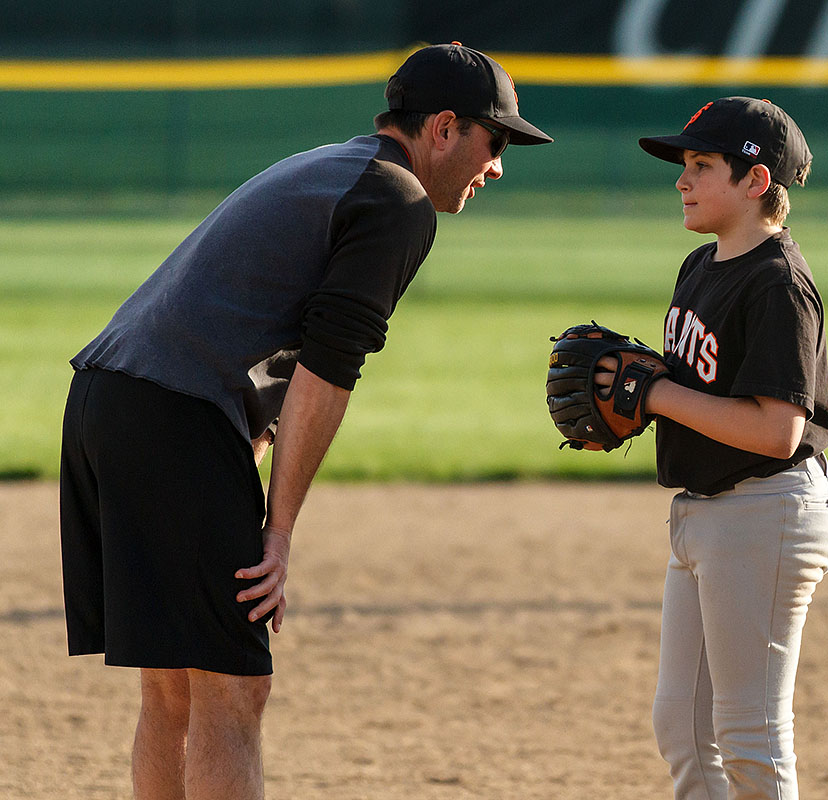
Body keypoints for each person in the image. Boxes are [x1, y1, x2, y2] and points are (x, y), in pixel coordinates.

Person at [59, 42, 551, 799]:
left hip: (107, 398)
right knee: (232, 691)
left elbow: (257, 337)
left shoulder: (338, 164)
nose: (499, 164)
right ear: (445, 129)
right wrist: (278, 532)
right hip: (172, 416)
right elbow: (326, 372)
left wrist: (241, 463)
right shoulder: (398, 199)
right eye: (497, 140)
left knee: (174, 691)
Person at [605, 97, 828, 798]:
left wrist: (652, 395)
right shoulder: (700, 264)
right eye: (684, 164)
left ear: (756, 181)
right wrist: (627, 410)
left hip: (767, 510)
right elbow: (698, 395)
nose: (682, 179)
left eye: (702, 165)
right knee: (683, 728)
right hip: (708, 511)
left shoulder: (778, 283)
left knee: (748, 737)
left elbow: (777, 431)